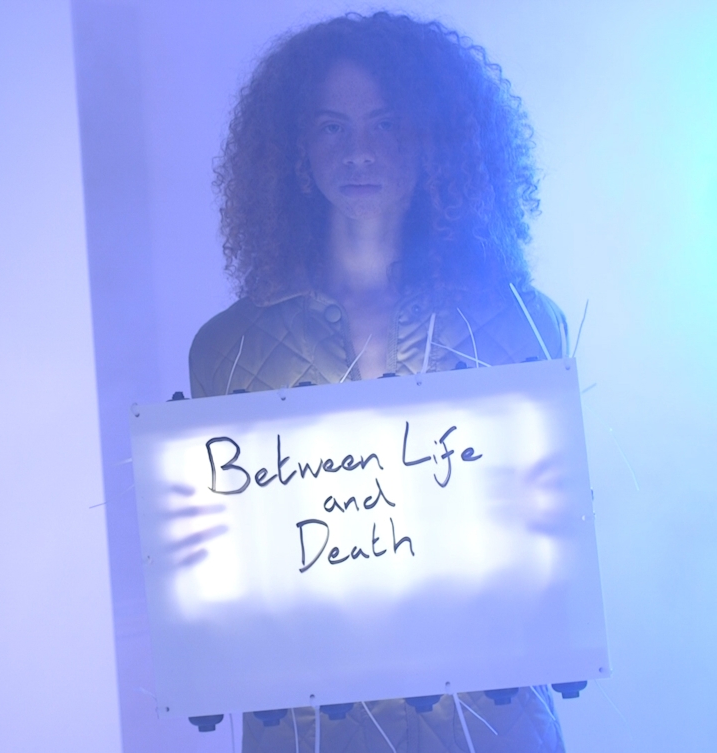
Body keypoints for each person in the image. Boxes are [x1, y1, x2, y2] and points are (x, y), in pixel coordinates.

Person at [188, 12, 570, 752]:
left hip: (492, 723)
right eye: (331, 127)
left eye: (386, 123)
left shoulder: (522, 321)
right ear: (295, 151)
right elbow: (223, 568)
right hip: (310, 729)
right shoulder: (227, 348)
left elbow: (552, 535)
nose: (358, 151)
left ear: (436, 142)